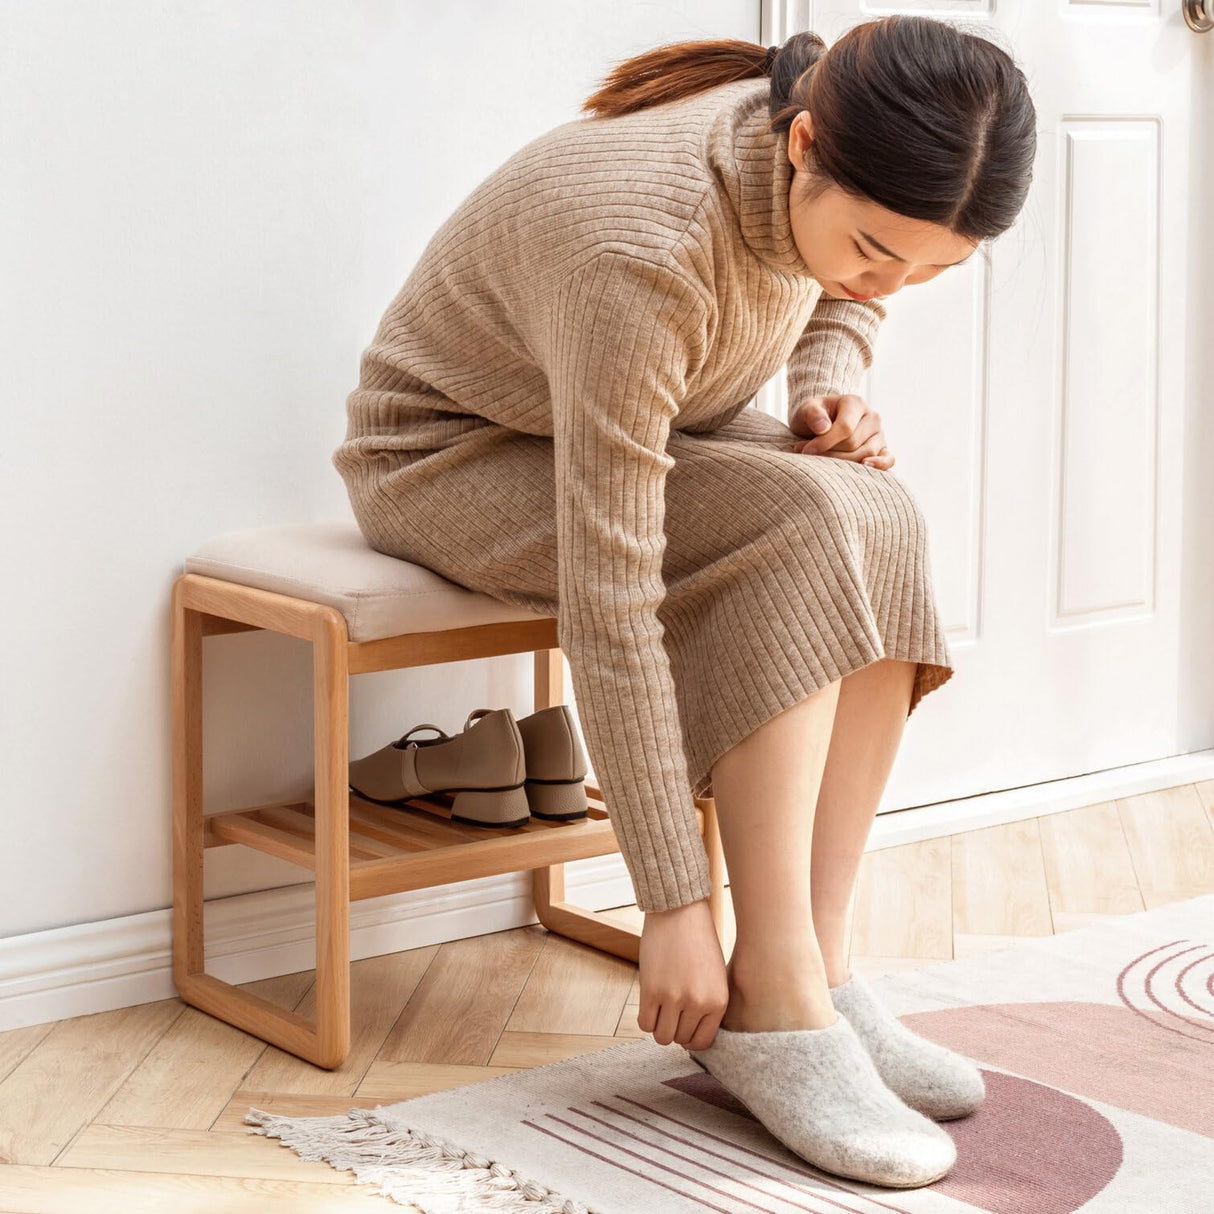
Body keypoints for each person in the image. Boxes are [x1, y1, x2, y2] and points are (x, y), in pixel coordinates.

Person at [333, 15, 1035, 1187]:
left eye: (929, 268)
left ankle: (813, 964)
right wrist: (669, 902)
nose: (891, 282)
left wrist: (823, 389)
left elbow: (845, 292)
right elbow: (609, 595)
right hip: (449, 460)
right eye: (876, 248)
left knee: (876, 508)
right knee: (801, 522)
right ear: (804, 146)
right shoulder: (640, 248)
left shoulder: (818, 150)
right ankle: (771, 997)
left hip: (643, 424)